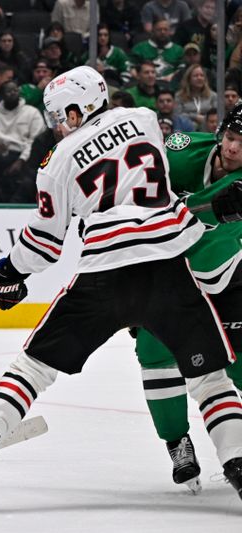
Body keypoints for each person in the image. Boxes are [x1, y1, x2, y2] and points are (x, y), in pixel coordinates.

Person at [0, 65, 242, 501]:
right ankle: (236, 465)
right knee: (211, 378)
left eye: (60, 114)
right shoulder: (143, 120)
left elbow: (44, 244)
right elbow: (161, 183)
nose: (58, 123)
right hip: (166, 266)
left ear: (76, 108)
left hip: (104, 272)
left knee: (32, 367)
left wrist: (8, 272)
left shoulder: (57, 159)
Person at [135, 106, 242, 495]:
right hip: (172, 277)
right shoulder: (178, 150)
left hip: (228, 282)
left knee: (237, 367)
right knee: (154, 353)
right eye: (231, 137)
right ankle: (176, 442)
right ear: (220, 133)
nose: (232, 148)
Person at [0, 80, 46, 203]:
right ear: (1, 95)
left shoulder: (32, 113)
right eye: (9, 91)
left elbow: (35, 140)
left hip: (25, 157)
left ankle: (17, 203)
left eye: (15, 90)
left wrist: (21, 160)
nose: (13, 93)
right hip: (0, 155)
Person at [175, 64, 217, 131]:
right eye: (195, 76)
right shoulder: (179, 96)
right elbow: (178, 115)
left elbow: (216, 114)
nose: (199, 78)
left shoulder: (213, 95)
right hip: (186, 127)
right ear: (189, 79)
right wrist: (195, 117)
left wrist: (205, 119)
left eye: (201, 75)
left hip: (208, 127)